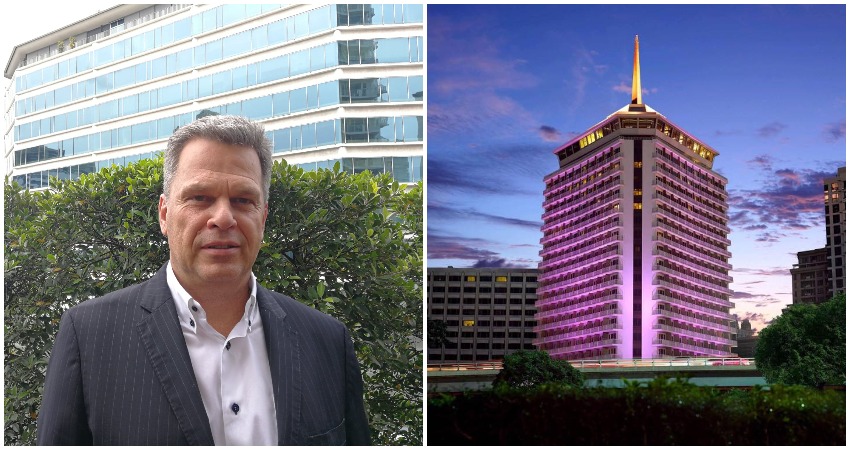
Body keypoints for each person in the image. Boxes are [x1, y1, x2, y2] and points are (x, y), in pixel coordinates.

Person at [36, 115, 370, 445]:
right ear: (165, 214)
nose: (223, 217)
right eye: (200, 197)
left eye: (243, 200)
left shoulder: (327, 341)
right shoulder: (90, 337)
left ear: (263, 217)